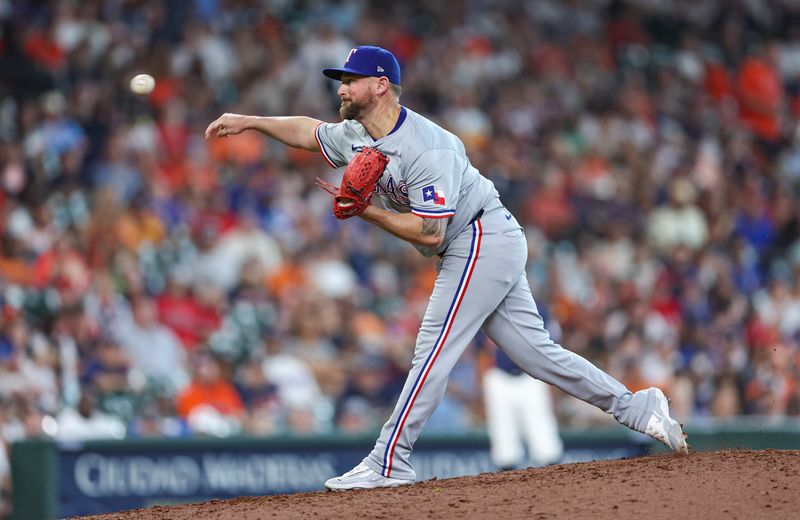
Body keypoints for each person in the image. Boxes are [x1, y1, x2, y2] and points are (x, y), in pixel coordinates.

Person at [205, 45, 688, 491]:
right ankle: (638, 407)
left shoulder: (427, 147)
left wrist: (367, 210)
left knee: (434, 346)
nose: (341, 88)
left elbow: (430, 234)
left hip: (478, 236)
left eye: (350, 79)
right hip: (478, 240)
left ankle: (388, 462)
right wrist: (249, 120)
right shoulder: (356, 131)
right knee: (536, 355)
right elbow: (309, 133)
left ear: (380, 85)